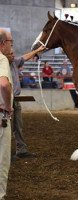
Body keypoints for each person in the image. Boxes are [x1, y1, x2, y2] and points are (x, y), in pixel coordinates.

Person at [6, 43, 45, 160]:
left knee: (18, 126)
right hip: (5, 100)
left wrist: (37, 50)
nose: (14, 55)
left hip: (15, 100)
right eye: (11, 54)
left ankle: (21, 150)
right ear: (5, 55)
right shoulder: (3, 64)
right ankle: (4, 153)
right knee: (5, 127)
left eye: (13, 54)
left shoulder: (14, 62)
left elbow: (25, 57)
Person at [0, 28, 13, 200]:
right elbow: (3, 84)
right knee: (2, 160)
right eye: (10, 42)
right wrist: (9, 106)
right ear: (2, 44)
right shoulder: (1, 59)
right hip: (1, 115)